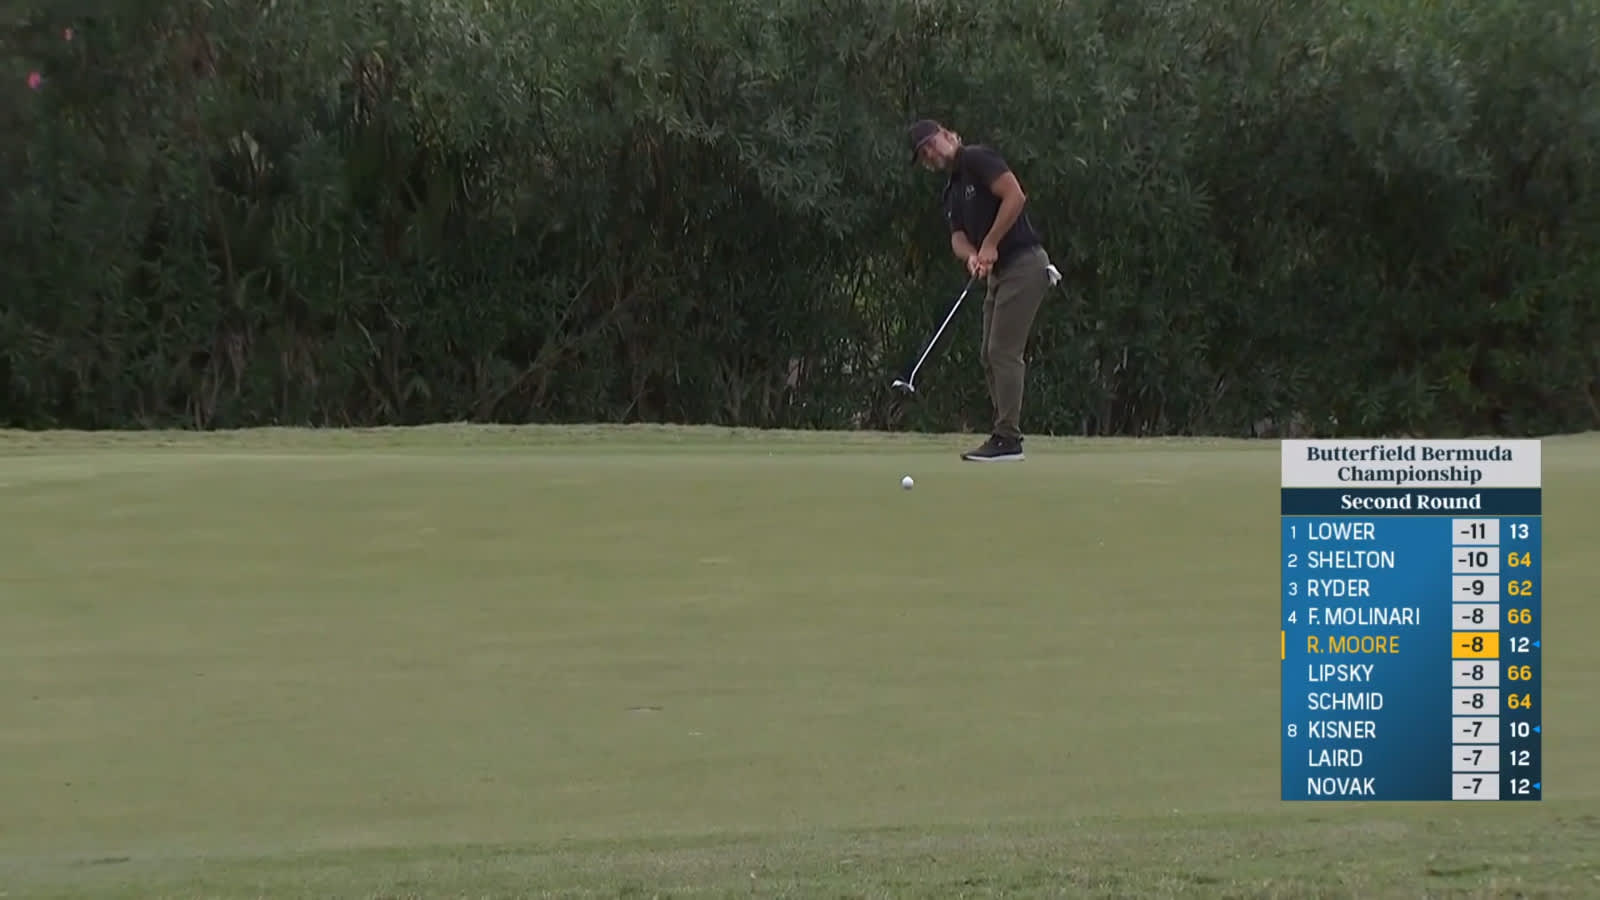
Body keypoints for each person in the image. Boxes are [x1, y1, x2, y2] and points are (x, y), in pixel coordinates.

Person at [908, 118, 1058, 462]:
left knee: (1003, 351)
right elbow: (957, 238)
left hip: (1025, 263)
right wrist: (973, 256)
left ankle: (1008, 439)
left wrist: (990, 243)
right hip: (999, 272)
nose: (930, 154)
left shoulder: (976, 158)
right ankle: (1004, 434)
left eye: (931, 144)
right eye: (923, 154)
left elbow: (1015, 196)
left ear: (947, 135)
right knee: (988, 354)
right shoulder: (951, 190)